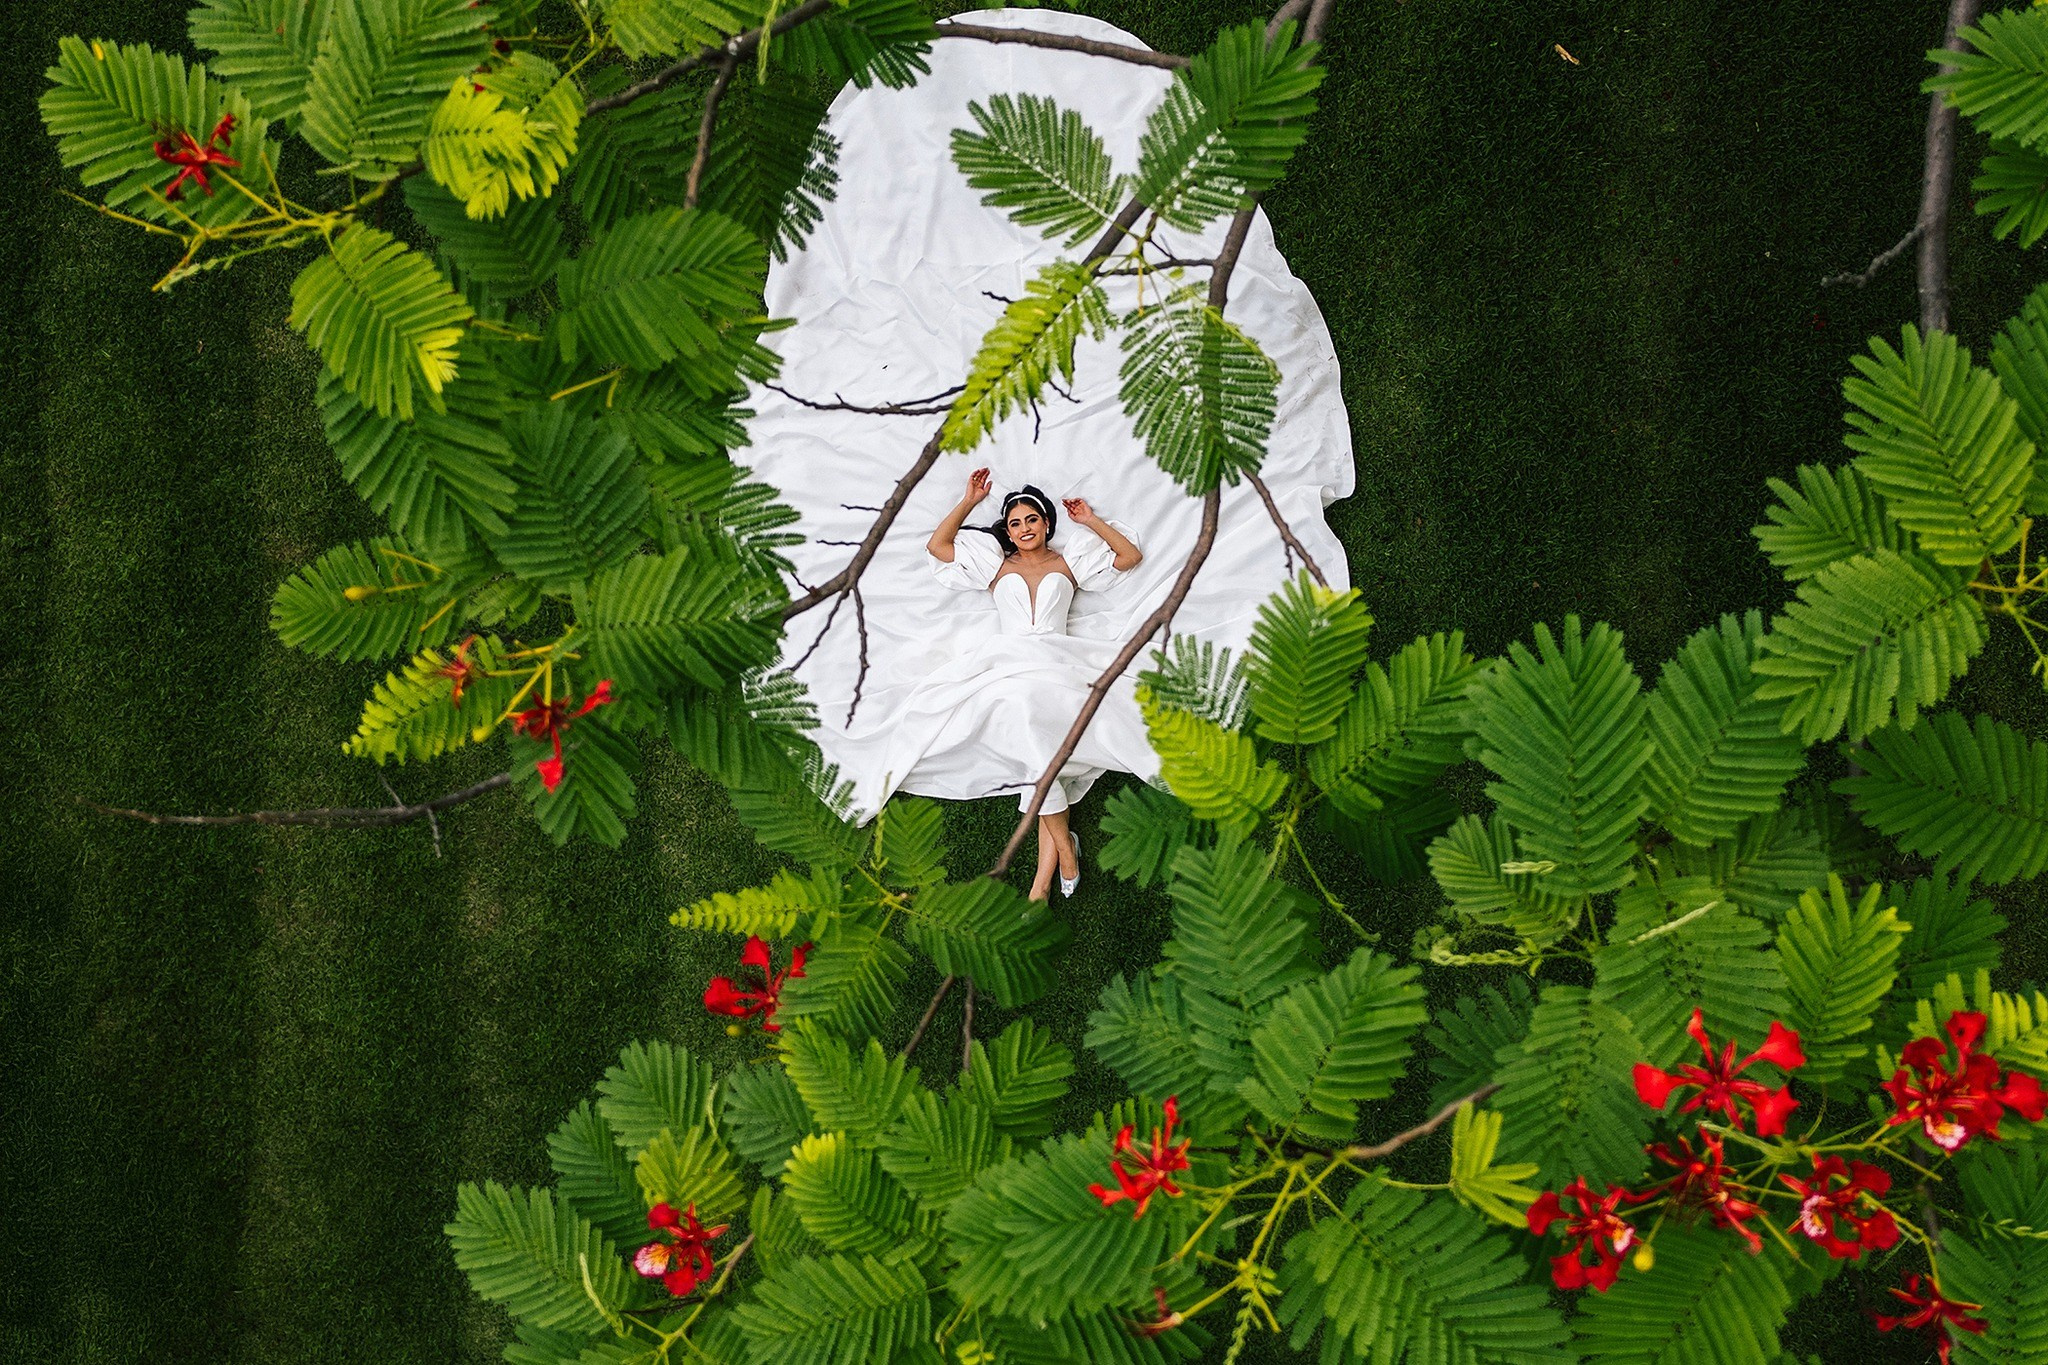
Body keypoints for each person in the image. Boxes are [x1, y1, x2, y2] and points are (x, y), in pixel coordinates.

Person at [915, 467, 1147, 901]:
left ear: (1046, 524)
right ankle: (1060, 857)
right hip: (1010, 664)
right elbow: (938, 547)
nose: (1024, 529)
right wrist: (968, 501)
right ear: (1007, 531)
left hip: (1060, 663)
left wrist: (1090, 520)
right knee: (1033, 737)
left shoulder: (1068, 563)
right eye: (1015, 523)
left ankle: (1047, 874)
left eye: (1032, 520)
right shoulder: (995, 566)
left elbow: (1128, 557)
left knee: (1034, 750)